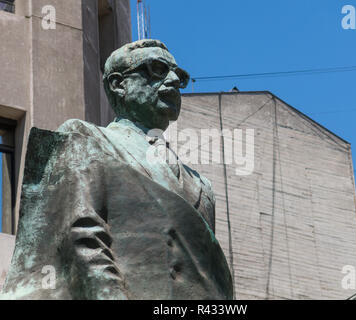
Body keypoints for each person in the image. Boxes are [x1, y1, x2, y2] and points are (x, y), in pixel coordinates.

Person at [1, 40, 233, 300]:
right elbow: (82, 235)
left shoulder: (201, 185)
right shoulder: (86, 138)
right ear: (118, 84)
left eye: (180, 76)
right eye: (157, 69)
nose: (172, 81)